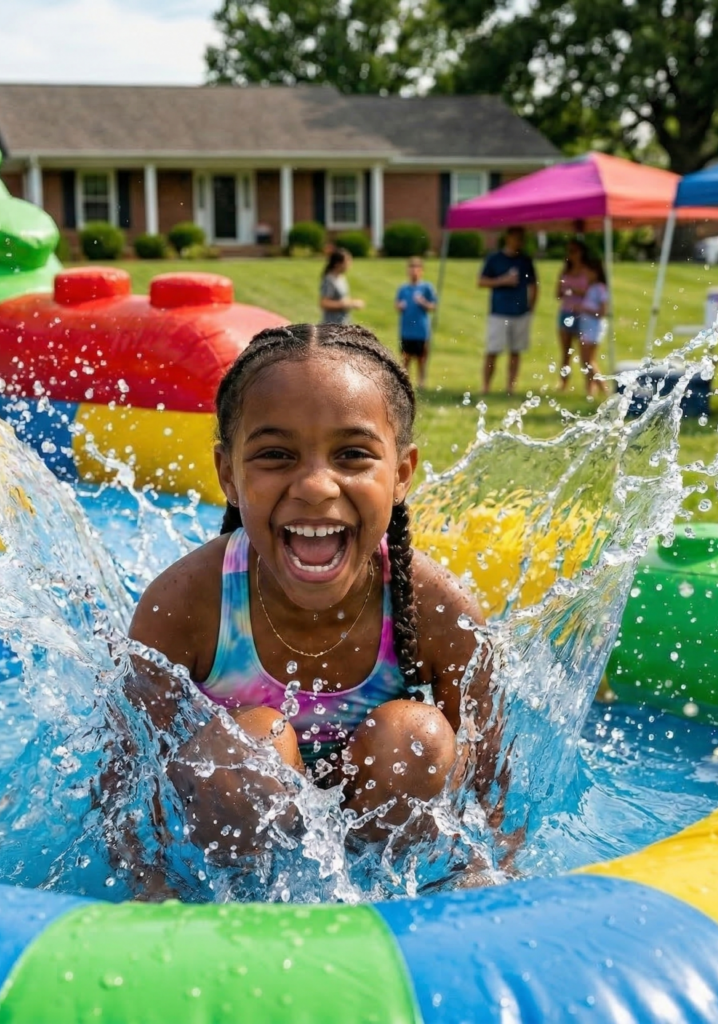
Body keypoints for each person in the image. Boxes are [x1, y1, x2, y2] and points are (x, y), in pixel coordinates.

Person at [123, 322, 499, 856]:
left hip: (385, 840)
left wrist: (485, 879)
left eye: (353, 455)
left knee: (416, 738)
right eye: (276, 455)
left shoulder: (439, 609)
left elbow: (493, 794)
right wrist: (148, 885)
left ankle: (392, 902)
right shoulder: (189, 604)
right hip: (236, 842)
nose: (316, 486)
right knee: (249, 746)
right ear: (227, 473)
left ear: (402, 474)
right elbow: (128, 781)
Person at [477, 227, 538, 396]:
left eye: (522, 239)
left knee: (516, 351)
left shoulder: (525, 261)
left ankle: (511, 387)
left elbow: (533, 284)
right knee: (493, 350)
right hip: (499, 312)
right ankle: (486, 386)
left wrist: (531, 307)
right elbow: (481, 281)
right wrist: (502, 280)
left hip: (519, 313)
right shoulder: (495, 259)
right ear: (508, 238)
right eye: (517, 238)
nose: (520, 242)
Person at [395, 257, 437, 388]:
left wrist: (423, 302)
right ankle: (405, 383)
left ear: (421, 271)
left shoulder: (426, 288)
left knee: (421, 358)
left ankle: (421, 382)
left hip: (421, 330)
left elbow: (433, 306)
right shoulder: (403, 289)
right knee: (405, 358)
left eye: (416, 269)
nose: (413, 272)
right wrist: (399, 306)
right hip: (406, 330)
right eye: (411, 268)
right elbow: (397, 304)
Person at [556, 240, 590, 391]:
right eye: (569, 252)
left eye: (574, 251)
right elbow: (557, 293)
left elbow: (592, 292)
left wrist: (575, 291)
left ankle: (590, 385)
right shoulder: (565, 272)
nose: (571, 255)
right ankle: (563, 382)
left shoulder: (587, 272)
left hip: (583, 314)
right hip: (566, 312)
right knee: (565, 352)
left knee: (586, 354)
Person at [577, 259, 609, 399]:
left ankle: (604, 389)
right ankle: (590, 390)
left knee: (588, 361)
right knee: (586, 361)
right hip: (586, 327)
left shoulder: (600, 288)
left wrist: (585, 309)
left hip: (594, 328)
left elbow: (602, 312)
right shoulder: (591, 288)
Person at [319, 249, 364, 324]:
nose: (350, 264)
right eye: (347, 262)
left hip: (342, 322)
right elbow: (324, 303)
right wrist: (349, 304)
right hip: (332, 325)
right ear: (337, 264)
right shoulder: (329, 280)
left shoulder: (341, 277)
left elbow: (343, 298)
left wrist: (352, 302)